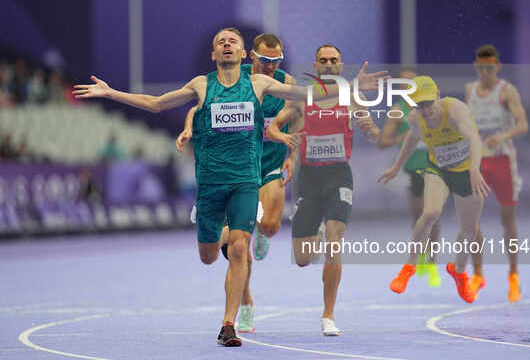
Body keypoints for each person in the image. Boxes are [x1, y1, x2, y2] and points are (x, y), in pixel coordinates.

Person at [74, 27, 386, 347]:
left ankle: (228, 325)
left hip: (246, 180)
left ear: (242, 54)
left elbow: (307, 96)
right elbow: (156, 104)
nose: (226, 45)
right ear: (214, 54)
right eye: (220, 42)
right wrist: (110, 93)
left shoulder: (259, 83)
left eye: (232, 42)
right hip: (210, 183)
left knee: (239, 247)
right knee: (209, 256)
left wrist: (349, 88)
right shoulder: (201, 84)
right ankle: (213, 234)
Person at [176, 33, 296, 334]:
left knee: (268, 225)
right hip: (236, 168)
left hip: (269, 161)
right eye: (264, 60)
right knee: (238, 248)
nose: (270, 66)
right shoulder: (231, 74)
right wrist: (190, 127)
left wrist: (290, 151)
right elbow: (197, 106)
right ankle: (245, 305)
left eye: (276, 60)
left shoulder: (284, 82)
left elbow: (300, 110)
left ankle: (259, 232)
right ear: (250, 56)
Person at [267, 44, 380, 336]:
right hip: (309, 180)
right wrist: (285, 140)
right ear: (316, 66)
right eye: (323, 61)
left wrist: (369, 128)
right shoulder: (303, 98)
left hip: (339, 176)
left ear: (341, 66)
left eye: (333, 60)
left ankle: (328, 315)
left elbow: (374, 133)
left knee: (335, 241)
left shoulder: (353, 97)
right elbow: (273, 129)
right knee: (304, 259)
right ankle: (314, 232)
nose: (328, 65)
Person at [378, 75, 490, 304]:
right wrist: (396, 167)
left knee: (469, 228)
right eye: (420, 105)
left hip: (467, 170)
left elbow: (474, 139)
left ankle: (459, 271)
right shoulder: (416, 118)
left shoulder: (456, 110)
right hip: (438, 169)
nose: (425, 109)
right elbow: (410, 140)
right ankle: (408, 267)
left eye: (428, 103)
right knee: (429, 214)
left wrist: (475, 170)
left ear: (438, 96)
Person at [465, 45, 529, 302]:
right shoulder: (470, 90)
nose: (485, 73)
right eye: (481, 68)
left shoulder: (507, 91)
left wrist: (501, 135)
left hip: (503, 160)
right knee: (472, 219)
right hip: (479, 161)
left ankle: (513, 274)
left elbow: (523, 124)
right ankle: (478, 274)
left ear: (498, 67)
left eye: (489, 68)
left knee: (507, 219)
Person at [378, 67, 441, 288]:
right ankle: (421, 257)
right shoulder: (399, 111)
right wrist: (402, 138)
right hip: (413, 169)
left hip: (435, 167)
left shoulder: (432, 108)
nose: (408, 87)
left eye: (412, 83)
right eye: (403, 84)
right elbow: (383, 141)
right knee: (418, 216)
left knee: (434, 215)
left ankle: (432, 262)